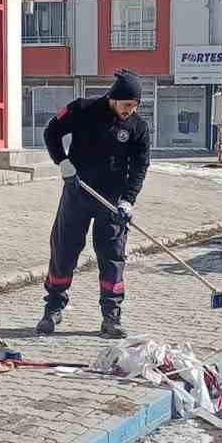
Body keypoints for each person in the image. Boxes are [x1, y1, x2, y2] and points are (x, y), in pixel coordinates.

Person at [38, 69, 150, 338]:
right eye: (126, 104)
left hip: (111, 202)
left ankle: (111, 317)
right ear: (114, 98)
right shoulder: (83, 109)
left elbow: (139, 168)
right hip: (78, 193)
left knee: (112, 257)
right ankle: (53, 309)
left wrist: (128, 201)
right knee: (64, 251)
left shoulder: (138, 128)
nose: (130, 110)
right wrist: (62, 162)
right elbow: (52, 132)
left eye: (134, 106)